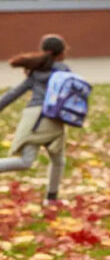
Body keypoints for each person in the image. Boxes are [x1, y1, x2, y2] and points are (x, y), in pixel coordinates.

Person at [0, 34, 70, 204]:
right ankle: (51, 198)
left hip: (34, 119)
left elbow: (14, 93)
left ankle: (52, 198)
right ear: (62, 53)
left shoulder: (35, 73)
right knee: (58, 160)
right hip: (53, 120)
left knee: (26, 161)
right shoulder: (64, 70)